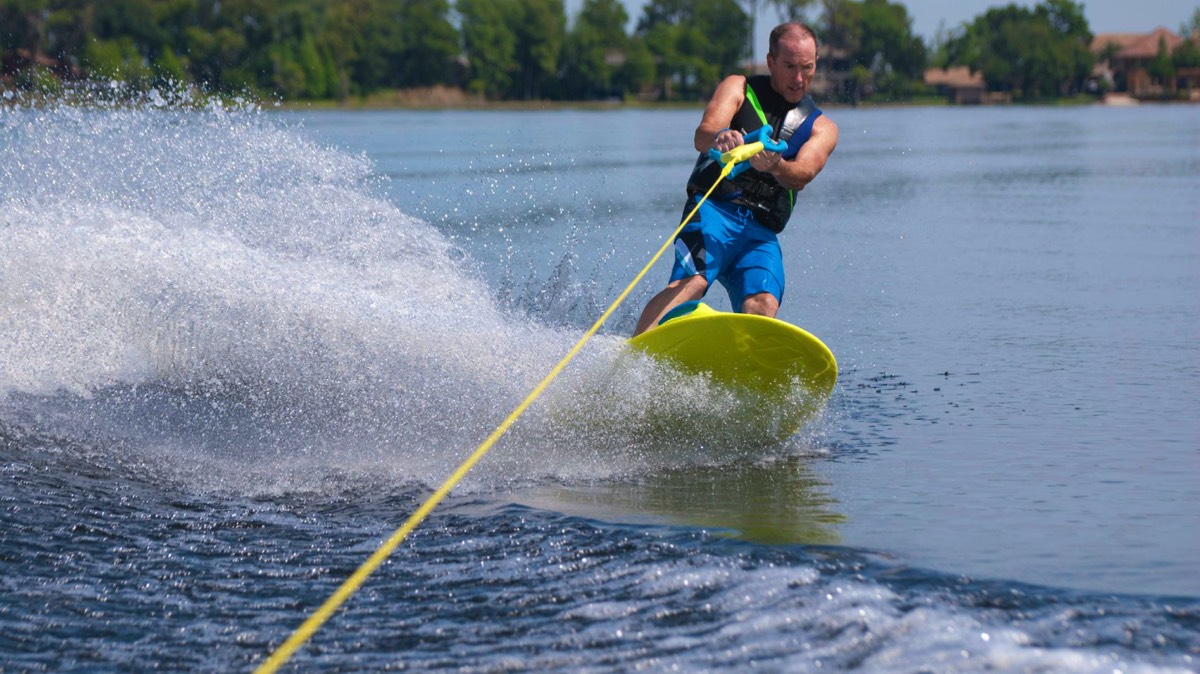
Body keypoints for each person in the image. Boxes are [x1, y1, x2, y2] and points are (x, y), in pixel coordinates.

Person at [633, 22, 838, 336]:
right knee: (694, 282)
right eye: (789, 66)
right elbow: (702, 135)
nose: (799, 78)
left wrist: (776, 166)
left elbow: (803, 174)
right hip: (713, 211)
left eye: (807, 68)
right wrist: (721, 136)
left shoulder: (822, 127)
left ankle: (742, 370)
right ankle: (633, 357)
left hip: (759, 232)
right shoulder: (738, 88)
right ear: (770, 62)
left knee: (763, 303)